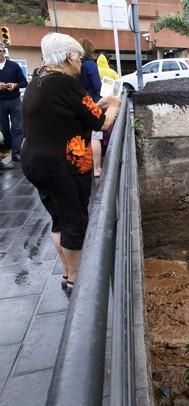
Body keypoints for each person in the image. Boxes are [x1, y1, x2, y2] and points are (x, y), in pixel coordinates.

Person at [21, 32, 121, 295]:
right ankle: (77, 281)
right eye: (78, 57)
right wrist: (114, 104)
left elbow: (74, 113)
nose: (80, 62)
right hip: (61, 165)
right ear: (69, 57)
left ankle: (67, 272)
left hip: (36, 162)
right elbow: (101, 122)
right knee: (75, 221)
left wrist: (96, 107)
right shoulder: (65, 83)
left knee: (59, 220)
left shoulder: (39, 80)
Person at [78, 38, 103, 177]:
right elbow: (97, 86)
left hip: (76, 104)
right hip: (91, 103)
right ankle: (97, 168)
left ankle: (83, 165)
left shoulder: (73, 65)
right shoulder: (90, 65)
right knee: (95, 136)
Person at [0, 42, 27, 166]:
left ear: (3, 52)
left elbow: (24, 82)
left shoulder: (14, 66)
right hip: (0, 102)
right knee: (4, 128)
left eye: (0, 51)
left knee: (17, 127)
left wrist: (15, 85)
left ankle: (16, 153)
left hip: (14, 100)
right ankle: (10, 147)